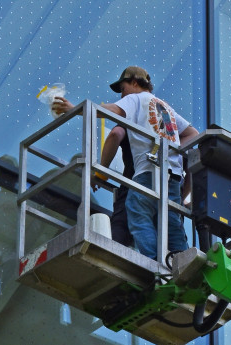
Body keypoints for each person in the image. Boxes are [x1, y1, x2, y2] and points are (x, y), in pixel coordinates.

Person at [53, 66, 199, 259]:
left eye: (122, 88)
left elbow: (111, 113)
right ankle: (181, 261)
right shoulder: (166, 108)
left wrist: (75, 109)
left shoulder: (136, 98)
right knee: (171, 221)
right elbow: (193, 134)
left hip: (148, 170)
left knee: (137, 210)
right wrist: (170, 147)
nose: (122, 95)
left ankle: (155, 262)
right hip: (172, 175)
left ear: (135, 83)